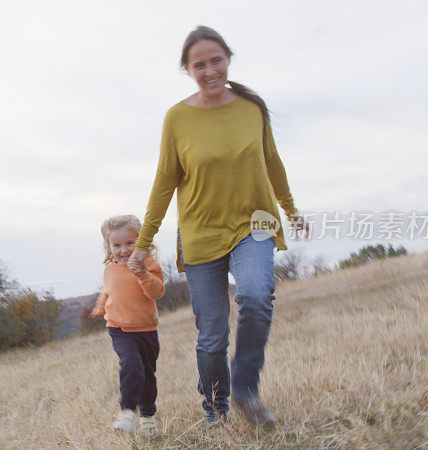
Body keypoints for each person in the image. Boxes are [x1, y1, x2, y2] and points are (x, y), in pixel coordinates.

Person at [127, 26, 309, 428]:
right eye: (199, 65)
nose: (209, 71)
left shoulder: (251, 108)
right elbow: (164, 181)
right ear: (187, 70)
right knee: (212, 337)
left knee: (257, 297)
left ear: (228, 58)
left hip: (253, 224)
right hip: (200, 234)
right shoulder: (177, 117)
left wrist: (290, 209)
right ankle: (216, 408)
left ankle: (245, 388)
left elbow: (272, 161)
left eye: (216, 60)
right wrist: (144, 242)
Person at [90, 215, 166, 436]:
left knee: (148, 374)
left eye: (130, 243)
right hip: (119, 328)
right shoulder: (110, 269)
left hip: (146, 329)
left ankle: (148, 415)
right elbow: (108, 289)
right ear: (109, 247)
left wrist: (141, 272)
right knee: (131, 364)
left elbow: (157, 292)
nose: (123, 250)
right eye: (117, 245)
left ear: (141, 243)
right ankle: (127, 411)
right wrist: (100, 307)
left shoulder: (149, 265)